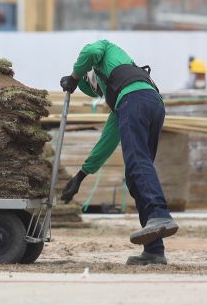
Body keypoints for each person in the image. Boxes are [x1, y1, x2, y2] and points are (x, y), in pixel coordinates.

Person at [59, 39, 179, 266]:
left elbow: (90, 50)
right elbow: (106, 143)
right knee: (136, 176)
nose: (97, 89)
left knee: (137, 162)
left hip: (138, 101)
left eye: (92, 85)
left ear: (90, 73)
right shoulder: (120, 96)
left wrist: (74, 77)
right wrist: (80, 176)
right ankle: (154, 250)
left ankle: (160, 214)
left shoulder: (106, 52)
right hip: (153, 103)